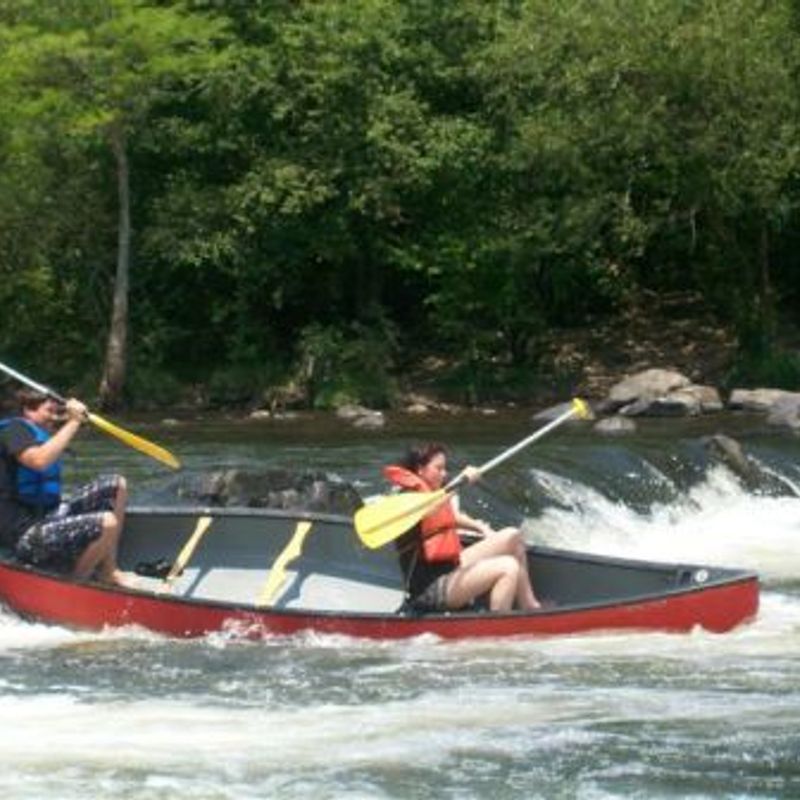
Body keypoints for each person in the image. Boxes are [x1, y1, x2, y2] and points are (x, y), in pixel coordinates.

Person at [384, 442, 540, 613]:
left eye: (445, 468)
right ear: (420, 469)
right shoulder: (406, 500)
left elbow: (447, 517)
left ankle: (530, 607)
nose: (444, 474)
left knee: (512, 537)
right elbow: (428, 510)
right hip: (431, 589)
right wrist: (461, 482)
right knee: (508, 567)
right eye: (439, 468)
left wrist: (479, 527)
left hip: (450, 568)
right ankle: (497, 626)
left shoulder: (430, 493)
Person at [0, 388, 135, 586]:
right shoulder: (14, 430)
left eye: (57, 411)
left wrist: (74, 417)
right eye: (49, 411)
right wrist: (73, 422)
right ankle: (75, 584)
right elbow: (38, 460)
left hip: (48, 517)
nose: (54, 417)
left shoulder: (43, 434)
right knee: (107, 523)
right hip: (22, 533)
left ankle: (109, 571)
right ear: (29, 410)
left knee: (116, 484)